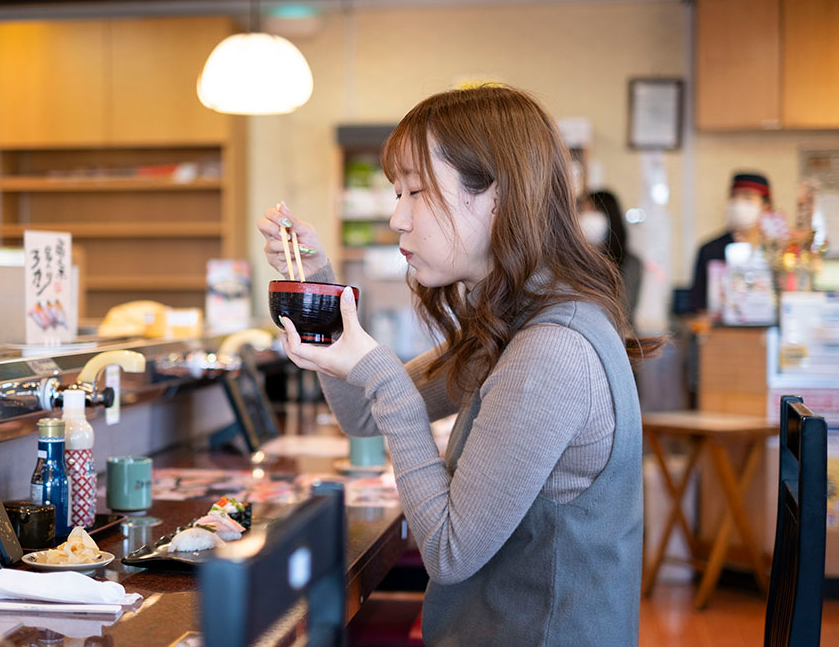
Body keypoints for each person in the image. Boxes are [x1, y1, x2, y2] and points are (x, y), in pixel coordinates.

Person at [258, 85, 662, 645]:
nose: (397, 217)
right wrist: (321, 287)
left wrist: (378, 370)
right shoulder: (516, 323)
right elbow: (364, 417)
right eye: (395, 193)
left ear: (496, 196)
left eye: (416, 192)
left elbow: (450, 551)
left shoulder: (552, 349)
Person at [687, 172, 772, 313]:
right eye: (734, 197)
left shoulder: (776, 251)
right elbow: (697, 306)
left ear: (766, 206)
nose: (738, 204)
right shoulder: (710, 250)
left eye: (747, 197)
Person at [579, 189, 643, 324]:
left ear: (609, 216)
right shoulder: (575, 260)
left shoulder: (631, 262)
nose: (586, 218)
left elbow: (624, 308)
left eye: (593, 211)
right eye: (583, 212)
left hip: (619, 335)